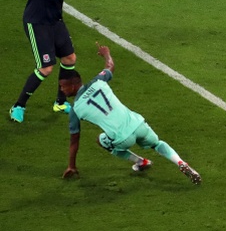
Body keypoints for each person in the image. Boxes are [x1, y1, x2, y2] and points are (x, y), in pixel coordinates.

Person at [60, 43, 202, 185]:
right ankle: (180, 162)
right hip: (138, 124)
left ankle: (141, 161)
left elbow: (74, 141)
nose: (61, 90)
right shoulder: (98, 81)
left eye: (62, 86)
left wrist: (71, 165)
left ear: (73, 85)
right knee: (157, 144)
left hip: (122, 138)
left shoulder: (75, 109)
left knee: (102, 140)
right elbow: (110, 66)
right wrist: (106, 53)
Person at [9, 0, 79, 123]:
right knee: (46, 68)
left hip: (55, 21)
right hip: (37, 21)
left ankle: (60, 102)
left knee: (69, 58)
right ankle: (18, 106)